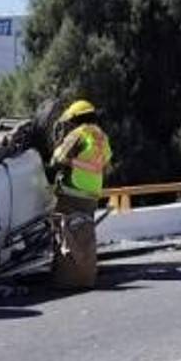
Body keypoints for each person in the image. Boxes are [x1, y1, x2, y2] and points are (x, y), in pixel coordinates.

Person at [49, 99, 112, 288]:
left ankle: (66, 276)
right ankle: (84, 272)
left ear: (75, 119)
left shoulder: (78, 134)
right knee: (83, 232)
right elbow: (105, 163)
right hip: (92, 194)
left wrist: (65, 162)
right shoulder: (101, 136)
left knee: (65, 232)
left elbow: (57, 158)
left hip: (72, 191)